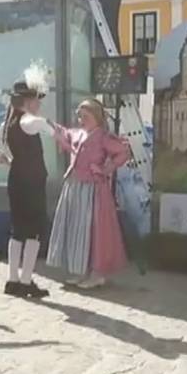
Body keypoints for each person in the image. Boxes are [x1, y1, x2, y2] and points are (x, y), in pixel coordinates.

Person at [47, 99, 131, 289]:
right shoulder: (77, 133)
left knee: (95, 232)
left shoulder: (103, 137)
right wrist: (44, 121)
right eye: (79, 115)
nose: (81, 119)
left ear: (97, 117)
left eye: (85, 116)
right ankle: (81, 270)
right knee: (78, 230)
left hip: (94, 190)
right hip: (75, 187)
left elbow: (124, 152)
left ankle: (97, 274)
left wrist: (105, 168)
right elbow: (61, 132)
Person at [3, 64, 53, 298]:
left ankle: (13, 280)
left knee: (17, 231)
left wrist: (3, 158)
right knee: (33, 232)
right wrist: (54, 130)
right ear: (27, 101)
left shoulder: (10, 123)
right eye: (36, 99)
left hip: (17, 180)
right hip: (30, 184)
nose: (39, 104)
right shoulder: (26, 121)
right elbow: (36, 125)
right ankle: (25, 281)